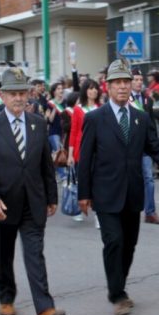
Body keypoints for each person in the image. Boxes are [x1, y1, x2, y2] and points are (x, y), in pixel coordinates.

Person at [77, 59, 159, 315]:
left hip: (133, 193)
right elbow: (85, 158)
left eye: (126, 82)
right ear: (108, 87)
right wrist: (84, 194)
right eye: (117, 83)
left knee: (129, 245)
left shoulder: (140, 117)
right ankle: (117, 294)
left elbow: (156, 147)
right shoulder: (95, 118)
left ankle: (118, 284)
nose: (123, 87)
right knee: (113, 241)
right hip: (105, 193)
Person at [0, 68, 66, 315]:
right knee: (2, 257)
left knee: (35, 254)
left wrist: (51, 196)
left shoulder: (38, 124)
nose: (17, 98)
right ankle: (6, 297)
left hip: (32, 202)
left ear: (28, 95)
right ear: (1, 95)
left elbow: (44, 166)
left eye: (21, 93)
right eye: (12, 93)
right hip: (0, 205)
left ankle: (45, 308)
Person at [130, 68, 159, 225]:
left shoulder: (147, 100)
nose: (138, 82)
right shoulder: (124, 99)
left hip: (144, 148)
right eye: (135, 79)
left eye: (140, 79)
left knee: (149, 179)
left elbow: (151, 125)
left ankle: (150, 212)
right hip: (129, 148)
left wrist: (154, 144)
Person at [68, 78, 100, 223]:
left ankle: (98, 213)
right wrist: (70, 155)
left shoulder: (101, 108)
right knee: (82, 181)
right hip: (81, 150)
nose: (93, 91)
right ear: (85, 90)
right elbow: (73, 132)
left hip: (99, 150)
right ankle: (80, 208)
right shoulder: (78, 109)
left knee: (98, 182)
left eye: (95, 88)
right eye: (90, 88)